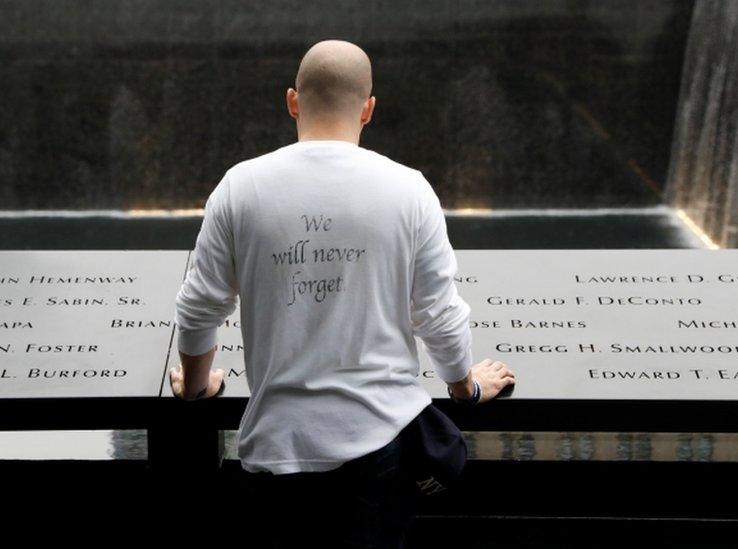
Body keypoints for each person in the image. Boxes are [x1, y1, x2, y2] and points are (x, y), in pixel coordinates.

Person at [168, 39, 517, 547]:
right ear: (369, 109)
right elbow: (438, 312)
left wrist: (197, 388)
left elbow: (199, 306)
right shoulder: (409, 189)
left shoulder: (239, 187)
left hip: (275, 447)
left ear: (292, 101)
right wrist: (467, 388)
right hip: (379, 444)